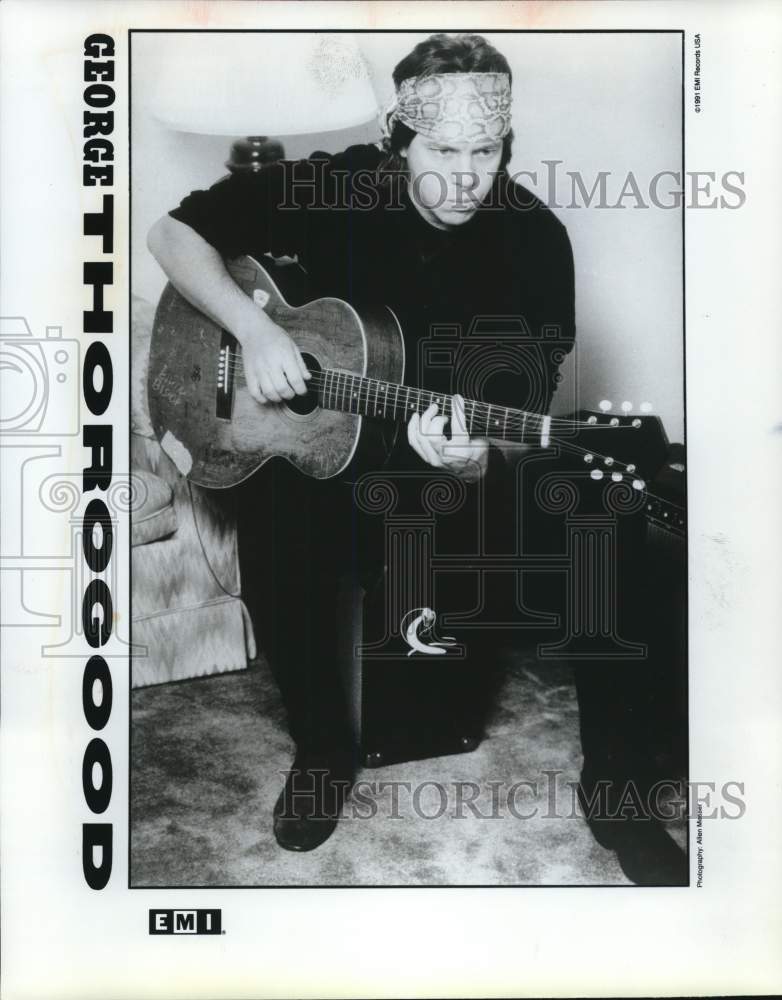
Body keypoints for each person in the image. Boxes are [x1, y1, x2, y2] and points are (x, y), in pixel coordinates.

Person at [148, 32, 685, 882]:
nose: (467, 176)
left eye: (486, 151)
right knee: (277, 515)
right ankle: (323, 753)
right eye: (443, 151)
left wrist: (479, 459)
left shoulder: (534, 240)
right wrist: (254, 332)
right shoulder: (329, 186)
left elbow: (524, 404)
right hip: (330, 473)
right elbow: (173, 235)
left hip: (448, 480)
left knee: (602, 517)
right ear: (399, 140)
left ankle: (617, 795)